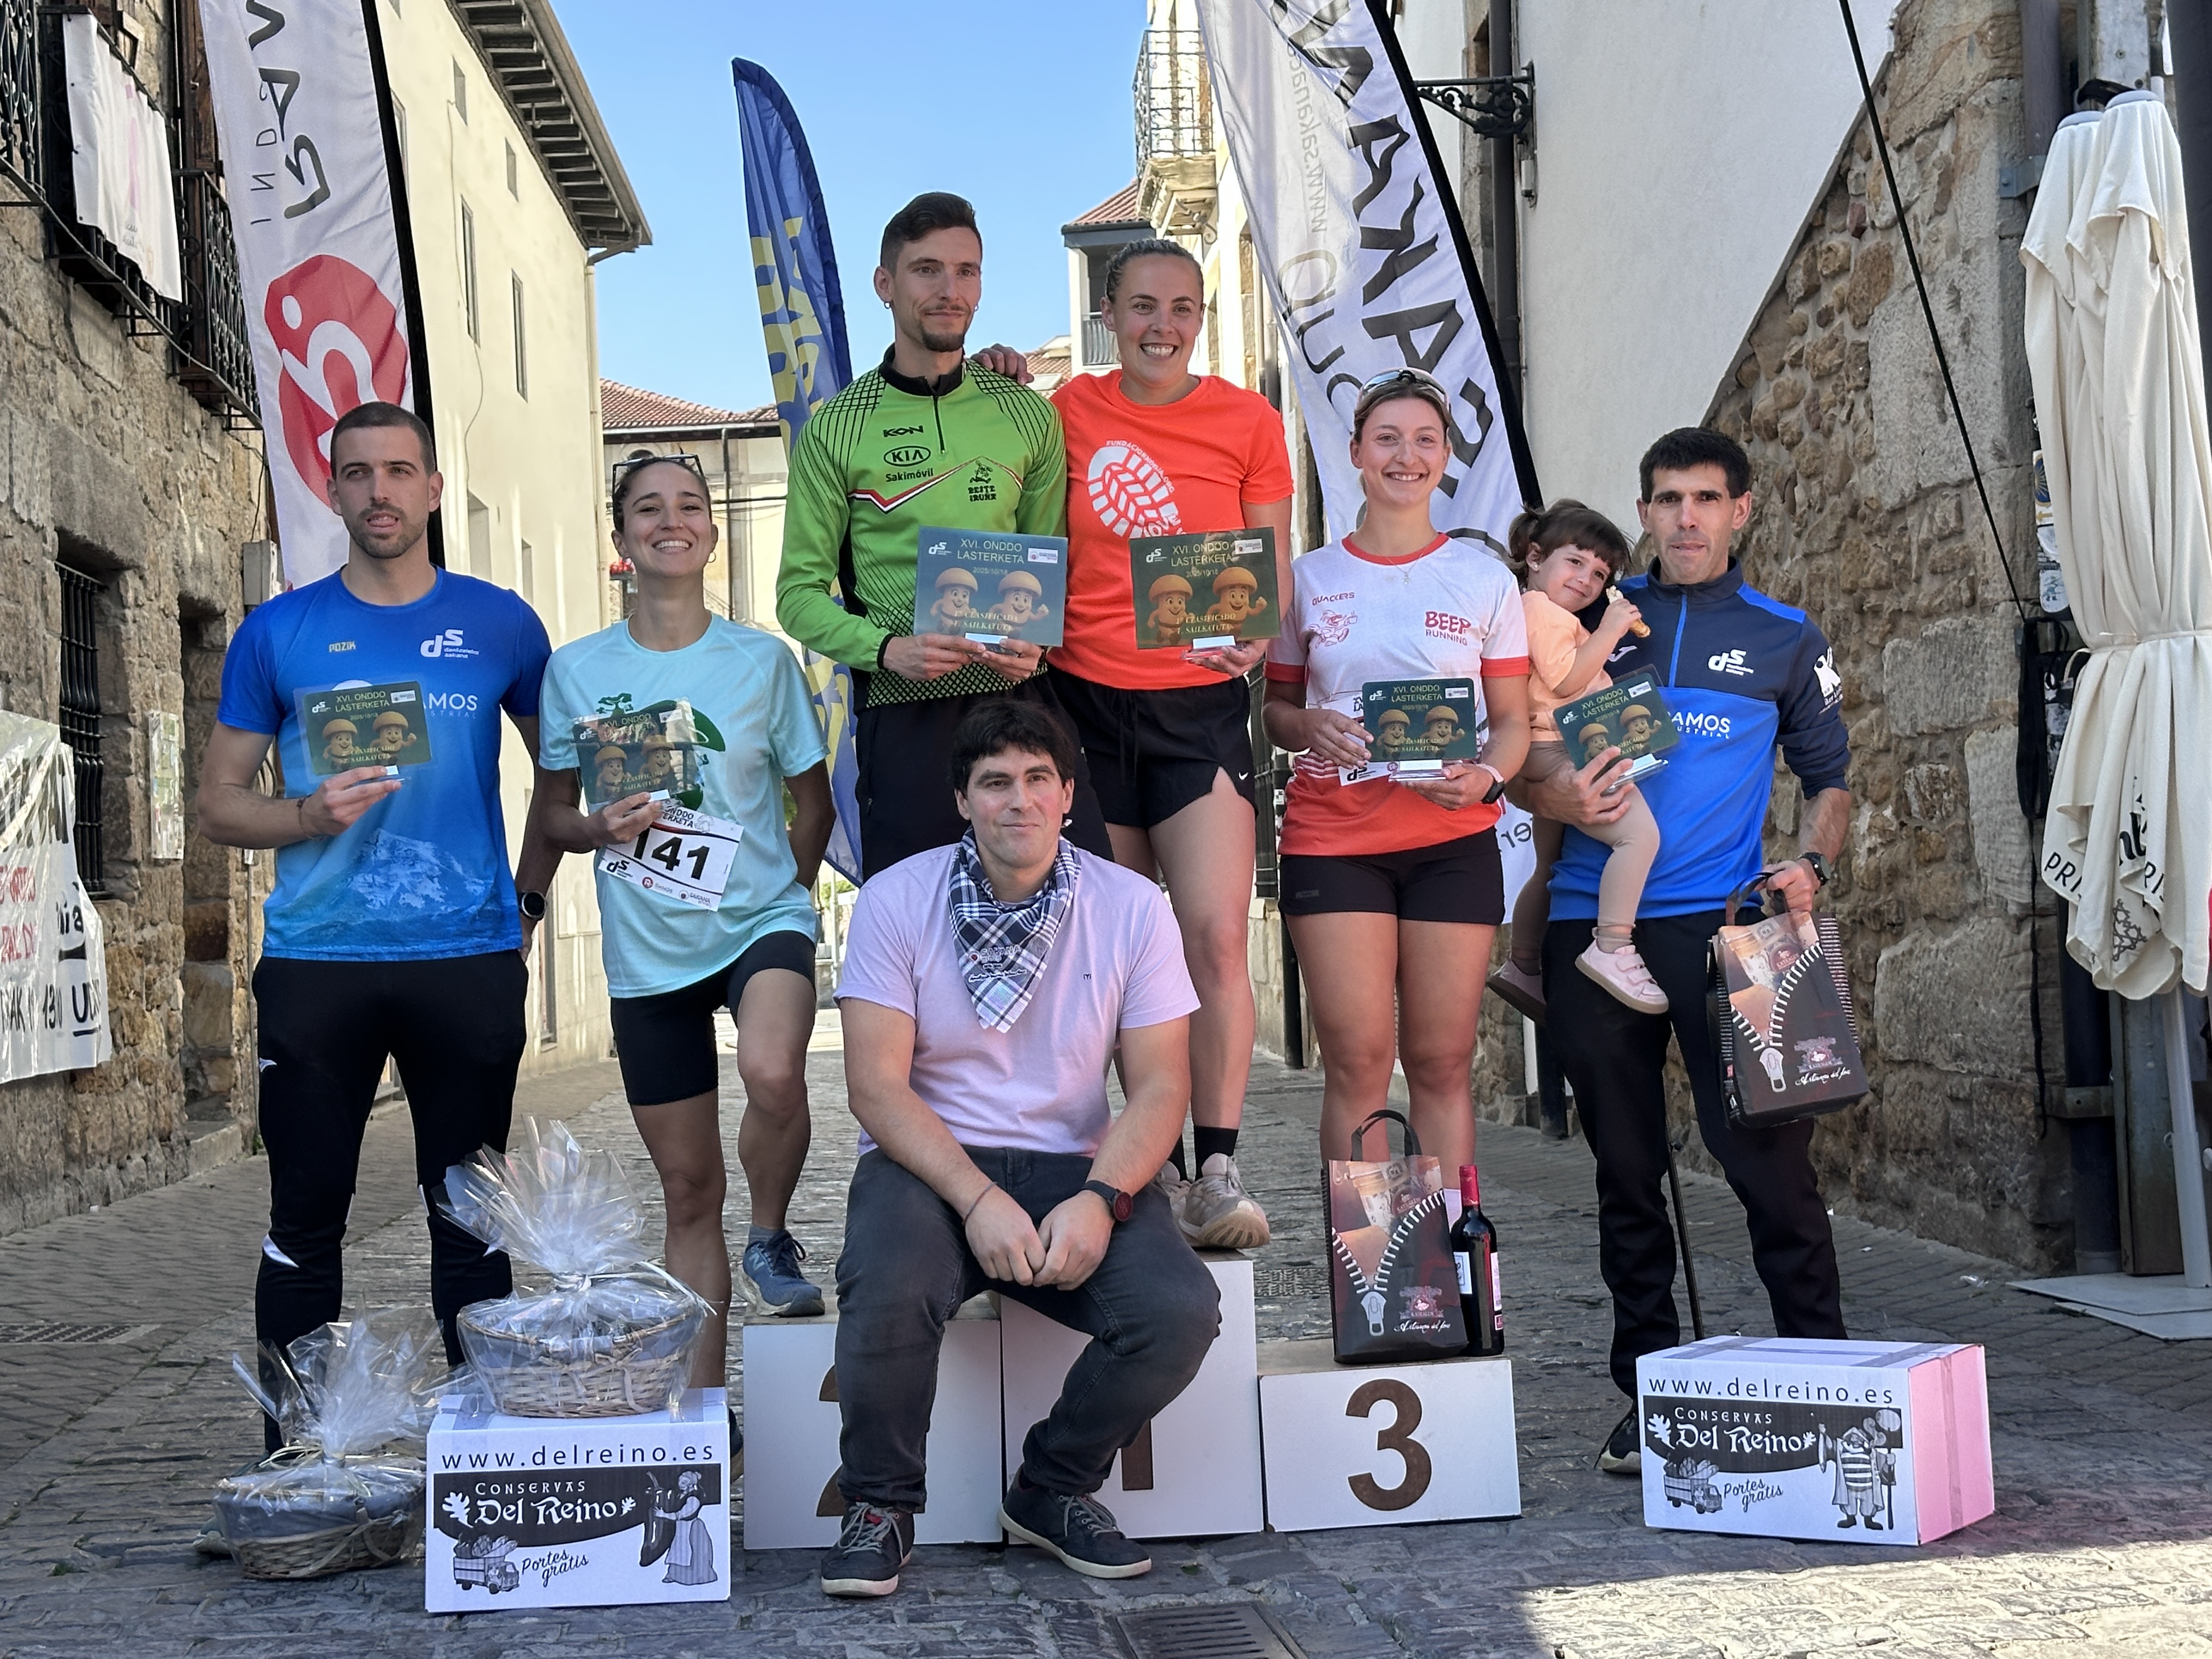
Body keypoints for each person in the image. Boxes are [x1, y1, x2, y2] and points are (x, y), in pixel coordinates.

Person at [193, 400, 552, 1446]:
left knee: (472, 1223)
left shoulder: (502, 624)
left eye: (399, 471)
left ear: (432, 489)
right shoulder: (279, 631)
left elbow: (562, 775)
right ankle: (297, 1465)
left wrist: (526, 899)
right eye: (358, 473)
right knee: (305, 1220)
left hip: (467, 957)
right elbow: (218, 803)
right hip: (320, 961)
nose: (379, 491)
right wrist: (306, 814)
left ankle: (488, 1456)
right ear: (333, 488)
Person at [821, 701, 1219, 1598]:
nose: (1020, 800)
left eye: (1039, 778)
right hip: (929, 1164)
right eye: (995, 781)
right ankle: (879, 1505)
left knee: (1179, 1310)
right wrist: (974, 1198)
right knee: (887, 1286)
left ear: (1068, 794)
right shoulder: (896, 897)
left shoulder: (1131, 905)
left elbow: (1162, 1086)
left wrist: (1102, 1198)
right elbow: (876, 1086)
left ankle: (1052, 1487)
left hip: (1074, 1167)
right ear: (962, 799)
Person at [1516, 427, 1850, 1477]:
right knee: (1626, 1171)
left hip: (1731, 928)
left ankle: (1829, 1378)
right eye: (1667, 499)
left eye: (1706, 498)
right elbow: (1516, 751)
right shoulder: (1586, 616)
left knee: (1772, 1165)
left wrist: (1812, 863)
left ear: (1740, 509)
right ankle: (1648, 1395)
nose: (1686, 517)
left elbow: (1830, 780)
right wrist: (1553, 789)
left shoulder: (1787, 636)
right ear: (1644, 513)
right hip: (1594, 928)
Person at [525, 455, 837, 1388]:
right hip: (648, 951)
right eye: (649, 508)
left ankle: (770, 1233)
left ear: (711, 530)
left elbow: (813, 802)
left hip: (759, 921)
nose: (673, 521)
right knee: (689, 1190)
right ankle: (703, 1410)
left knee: (773, 1068)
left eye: (691, 506)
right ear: (620, 536)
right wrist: (595, 830)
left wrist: (785, 898)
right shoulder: (576, 671)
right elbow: (553, 814)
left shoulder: (762, 661)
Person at [1047, 238, 1295, 1248]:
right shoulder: (1064, 410)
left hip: (1198, 709)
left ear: (1201, 317)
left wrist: (1257, 631)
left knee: (1215, 935)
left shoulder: (1247, 420)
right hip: (1082, 704)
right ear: (1109, 314)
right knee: (1116, 952)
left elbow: (1271, 568)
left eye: (1183, 307)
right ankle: (1150, 1165)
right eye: (1143, 305)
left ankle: (1218, 1167)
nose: (1163, 325)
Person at [774, 191, 1111, 878]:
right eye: (926, 270)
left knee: (1080, 906)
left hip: (1020, 701)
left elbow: (1052, 564)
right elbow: (798, 596)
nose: (949, 290)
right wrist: (886, 650)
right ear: (885, 284)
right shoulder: (836, 428)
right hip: (905, 714)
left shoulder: (1028, 414)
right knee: (917, 922)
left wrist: (1039, 642)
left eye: (966, 271)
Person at [1263, 369, 1531, 1179]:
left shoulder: (1485, 579)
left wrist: (1488, 779)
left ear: (1446, 456)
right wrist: (1308, 725)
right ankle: (1371, 1250)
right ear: (1355, 452)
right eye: (1387, 439)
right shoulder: (1308, 579)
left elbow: (1512, 724)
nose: (1405, 456)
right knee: (1357, 1063)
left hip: (1451, 840)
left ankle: (1447, 1244)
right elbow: (1275, 713)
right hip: (1333, 841)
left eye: (1424, 440)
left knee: (1442, 1061)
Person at [1486, 501, 1665, 1023]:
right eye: (1576, 561)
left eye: (1600, 574)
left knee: (1549, 865)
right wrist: (1609, 630)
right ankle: (1612, 945)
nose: (1587, 579)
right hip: (1556, 746)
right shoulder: (1540, 611)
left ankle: (1523, 964)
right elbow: (1565, 680)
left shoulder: (1539, 611)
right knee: (1639, 837)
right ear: (1535, 558)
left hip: (1542, 746)